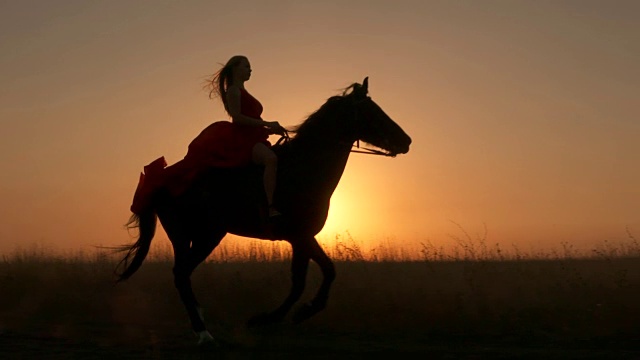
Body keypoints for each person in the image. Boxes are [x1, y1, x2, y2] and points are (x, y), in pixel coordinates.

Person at [201, 55, 285, 217]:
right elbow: (237, 117)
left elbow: (251, 122)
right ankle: (270, 207)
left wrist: (270, 130)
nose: (250, 70)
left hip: (253, 137)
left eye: (250, 67)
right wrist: (266, 123)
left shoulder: (243, 91)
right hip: (244, 141)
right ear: (235, 69)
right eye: (246, 66)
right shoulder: (233, 91)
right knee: (271, 159)